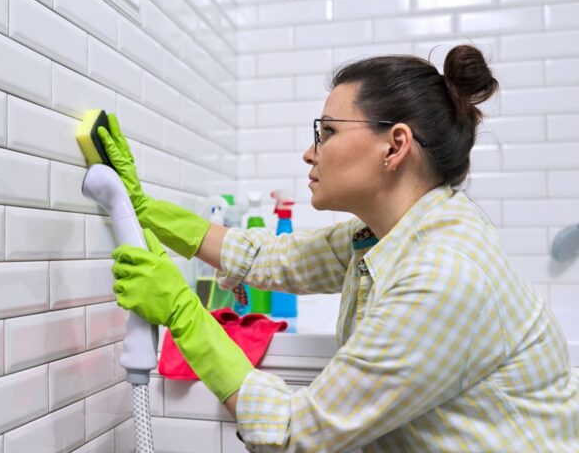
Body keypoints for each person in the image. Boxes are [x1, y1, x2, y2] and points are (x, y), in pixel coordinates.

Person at [100, 44, 579, 452]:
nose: (311, 152)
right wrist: (143, 208)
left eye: (326, 132)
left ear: (394, 147)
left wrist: (184, 313)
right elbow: (268, 258)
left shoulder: (441, 273)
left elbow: (294, 433)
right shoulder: (386, 233)